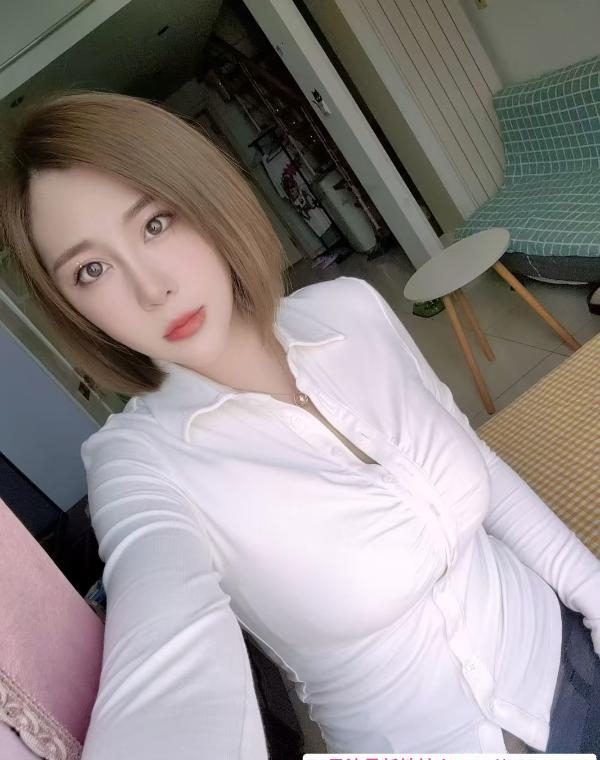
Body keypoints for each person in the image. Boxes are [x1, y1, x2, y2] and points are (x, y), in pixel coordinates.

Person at [1, 90, 598, 759]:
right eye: (91, 270)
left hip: (565, 652)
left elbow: (480, 466)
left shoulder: (352, 310)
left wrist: (595, 599)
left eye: (155, 224)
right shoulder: (136, 463)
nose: (151, 288)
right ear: (74, 309)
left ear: (205, 198)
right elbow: (162, 628)